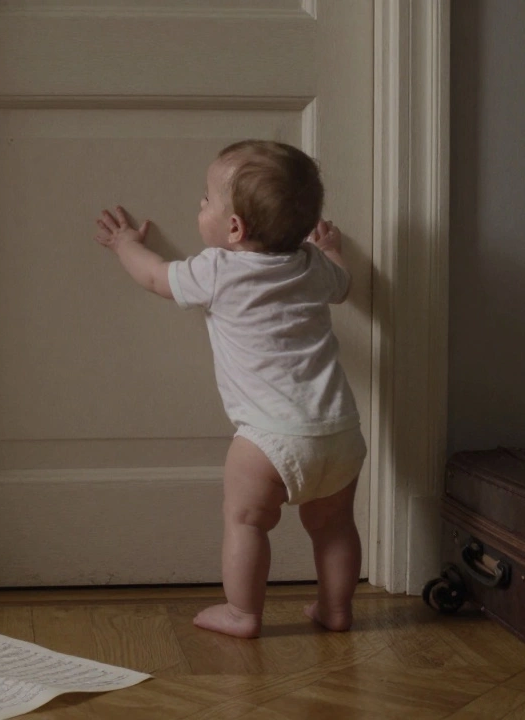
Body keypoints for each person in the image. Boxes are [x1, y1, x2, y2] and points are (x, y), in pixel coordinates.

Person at [93, 140, 365, 638]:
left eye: (206, 199)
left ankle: (243, 613)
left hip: (267, 438)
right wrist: (331, 250)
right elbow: (344, 285)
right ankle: (336, 608)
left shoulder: (217, 269)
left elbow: (154, 277)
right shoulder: (311, 264)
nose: (200, 204)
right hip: (339, 432)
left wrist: (124, 244)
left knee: (245, 522)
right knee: (334, 526)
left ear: (234, 228)